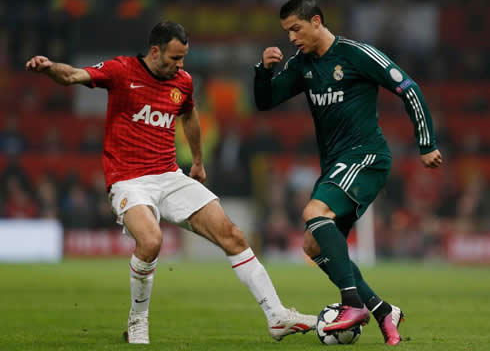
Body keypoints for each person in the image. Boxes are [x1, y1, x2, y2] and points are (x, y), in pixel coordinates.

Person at [26, 21, 316, 344]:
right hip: (128, 179)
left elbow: (189, 115)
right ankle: (137, 320)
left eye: (183, 59)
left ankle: (276, 315)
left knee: (232, 235)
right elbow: (72, 76)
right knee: (150, 241)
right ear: (155, 50)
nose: (180, 66)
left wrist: (198, 161)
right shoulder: (121, 71)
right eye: (175, 58)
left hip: (169, 174)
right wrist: (50, 67)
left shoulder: (183, 82)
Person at [254, 0, 443, 346]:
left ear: (316, 21)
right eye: (286, 32)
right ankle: (382, 309)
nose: (292, 38)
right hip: (336, 165)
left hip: (366, 156)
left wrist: (426, 142)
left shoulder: (357, 54)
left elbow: (408, 88)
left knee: (314, 212)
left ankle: (352, 304)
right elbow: (266, 102)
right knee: (313, 244)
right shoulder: (302, 64)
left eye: (296, 29)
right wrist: (264, 71)